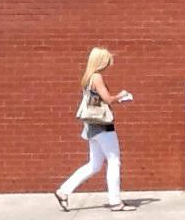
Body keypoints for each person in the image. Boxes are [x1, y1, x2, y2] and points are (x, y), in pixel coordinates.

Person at [54, 47, 135, 212]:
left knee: (94, 164)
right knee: (114, 161)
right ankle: (115, 202)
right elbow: (108, 99)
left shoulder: (87, 77)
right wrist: (122, 95)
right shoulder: (97, 77)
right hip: (102, 126)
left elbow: (98, 100)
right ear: (101, 61)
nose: (108, 65)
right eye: (107, 61)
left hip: (91, 126)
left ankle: (63, 191)